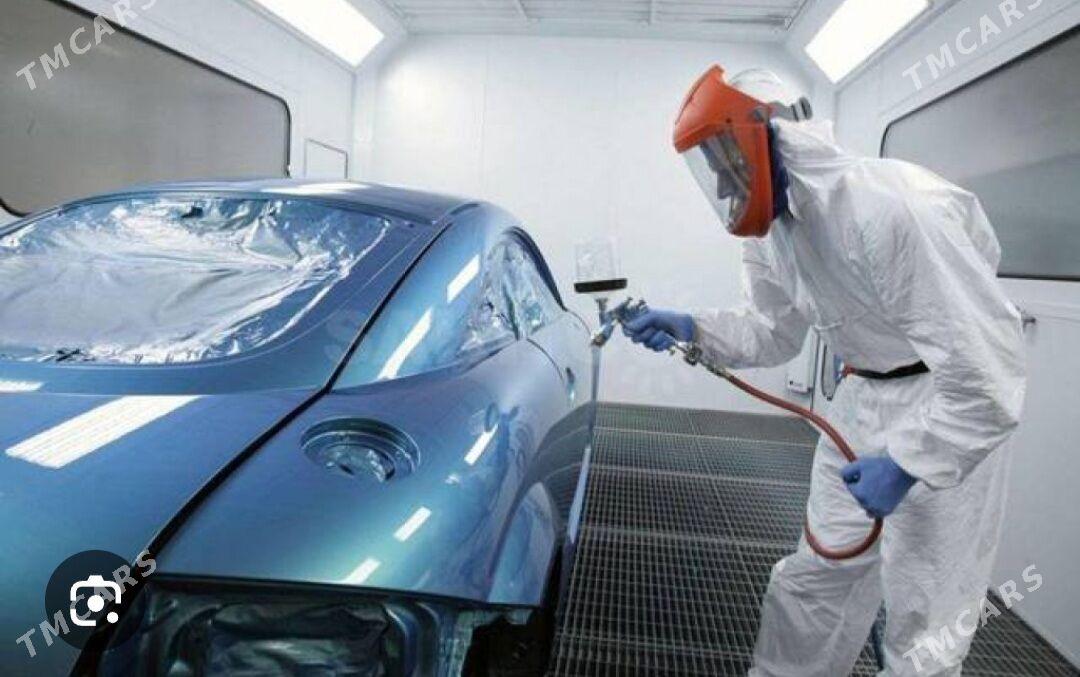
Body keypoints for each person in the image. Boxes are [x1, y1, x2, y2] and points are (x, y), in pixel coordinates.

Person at [622, 66, 1027, 676]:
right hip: (859, 400)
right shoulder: (770, 233)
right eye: (712, 163)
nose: (724, 178)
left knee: (927, 610)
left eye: (728, 155)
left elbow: (988, 374)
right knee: (816, 577)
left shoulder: (893, 208)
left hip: (945, 407)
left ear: (775, 132)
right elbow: (774, 332)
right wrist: (693, 328)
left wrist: (909, 464)